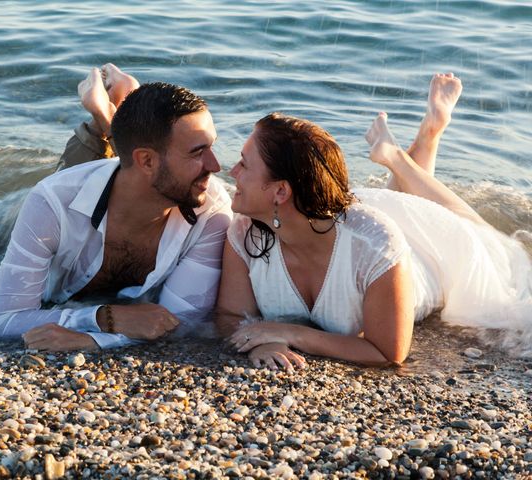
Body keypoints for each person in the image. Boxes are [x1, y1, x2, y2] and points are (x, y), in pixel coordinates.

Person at [216, 73, 532, 369]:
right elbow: (230, 315)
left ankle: (419, 141)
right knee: (402, 202)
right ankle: (420, 139)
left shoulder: (377, 246)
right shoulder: (245, 233)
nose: (232, 172)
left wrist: (293, 334)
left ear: (281, 191)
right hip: (337, 218)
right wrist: (259, 344)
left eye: (244, 164)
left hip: (430, 254)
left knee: (477, 232)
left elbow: (388, 352)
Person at [0, 64, 232, 351]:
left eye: (211, 146)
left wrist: (91, 339)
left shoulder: (212, 212)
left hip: (130, 176)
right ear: (148, 161)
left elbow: (179, 322)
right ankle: (102, 122)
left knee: (127, 169)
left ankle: (113, 120)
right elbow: (1, 321)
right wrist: (102, 318)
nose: (216, 166)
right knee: (67, 183)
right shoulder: (52, 203)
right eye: (198, 152)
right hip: (52, 205)